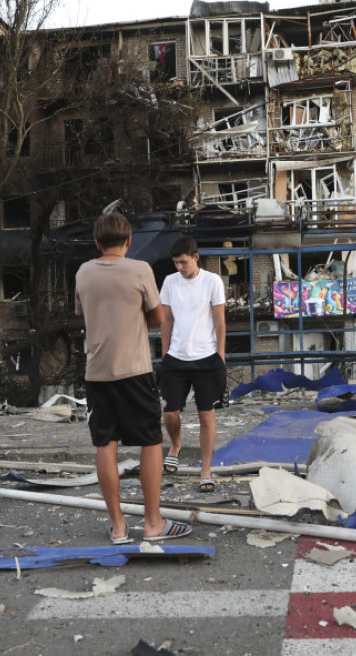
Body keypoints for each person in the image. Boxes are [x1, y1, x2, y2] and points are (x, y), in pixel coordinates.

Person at [74, 212, 191, 544]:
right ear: (129, 241)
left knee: (105, 444)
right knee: (151, 441)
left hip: (97, 373)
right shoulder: (140, 269)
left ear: (97, 243)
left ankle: (118, 526)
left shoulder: (83, 272)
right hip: (135, 371)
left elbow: (84, 313)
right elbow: (157, 316)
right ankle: (153, 523)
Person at [159, 236, 227, 493]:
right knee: (170, 413)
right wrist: (165, 354)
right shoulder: (169, 282)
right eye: (176, 262)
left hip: (207, 358)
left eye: (183, 262)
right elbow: (165, 319)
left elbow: (220, 320)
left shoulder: (212, 281)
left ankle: (206, 471)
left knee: (205, 416)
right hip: (175, 358)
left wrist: (220, 355)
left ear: (195, 257)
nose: (179, 267)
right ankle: (175, 445)